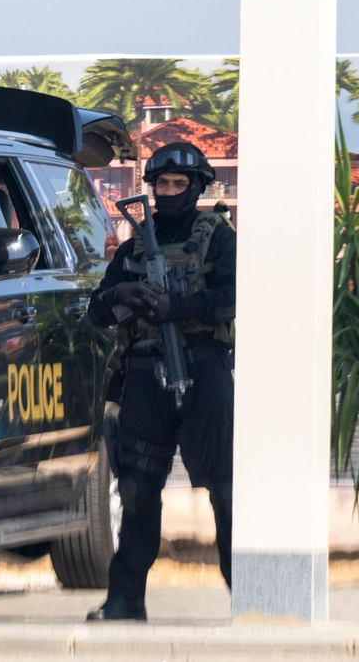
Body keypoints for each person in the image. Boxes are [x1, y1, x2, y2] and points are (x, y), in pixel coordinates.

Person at [85, 142, 236, 621]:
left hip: (204, 368)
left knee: (227, 490)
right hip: (146, 373)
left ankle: (250, 597)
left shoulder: (219, 237)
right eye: (162, 184)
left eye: (179, 184)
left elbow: (235, 295)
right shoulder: (132, 247)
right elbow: (96, 311)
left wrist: (181, 309)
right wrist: (121, 295)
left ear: (196, 188)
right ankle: (125, 600)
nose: (170, 192)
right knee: (135, 489)